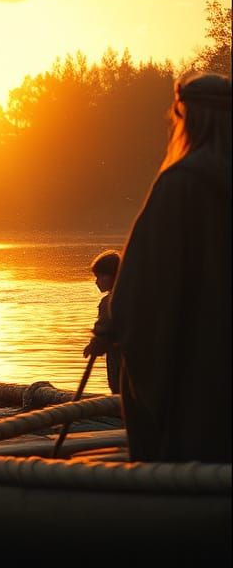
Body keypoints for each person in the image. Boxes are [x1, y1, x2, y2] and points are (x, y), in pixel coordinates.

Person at [105, 71, 231, 462]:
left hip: (196, 364)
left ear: (186, 117)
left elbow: (140, 286)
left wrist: (113, 324)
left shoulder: (180, 184)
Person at [83, 249, 122, 393]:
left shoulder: (109, 302)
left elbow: (103, 332)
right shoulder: (133, 297)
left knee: (118, 390)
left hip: (120, 363)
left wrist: (94, 346)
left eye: (100, 277)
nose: (96, 282)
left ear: (112, 276)